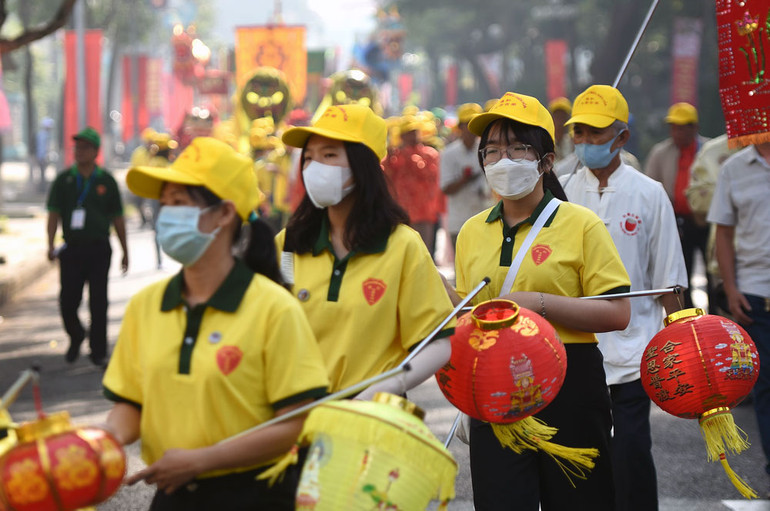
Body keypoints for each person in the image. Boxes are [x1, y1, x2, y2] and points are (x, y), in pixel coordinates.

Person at [103, 136, 330, 510]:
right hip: (172, 496)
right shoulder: (147, 305)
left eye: (179, 203)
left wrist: (200, 461)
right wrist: (102, 437)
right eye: (164, 203)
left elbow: (295, 422)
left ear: (224, 214)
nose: (165, 215)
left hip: (255, 496)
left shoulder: (274, 308)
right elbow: (131, 402)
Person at [446, 91, 631, 510]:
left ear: (546, 161)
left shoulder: (581, 223)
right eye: (491, 150)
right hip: (495, 385)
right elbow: (471, 314)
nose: (502, 159)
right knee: (501, 500)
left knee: (581, 501)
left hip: (569, 379)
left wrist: (539, 303)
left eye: (517, 148)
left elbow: (618, 312)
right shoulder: (472, 231)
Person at [560, 84, 688, 511]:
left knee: (632, 452)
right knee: (583, 458)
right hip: (575, 349)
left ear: (622, 137)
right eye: (579, 133)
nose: (586, 142)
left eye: (597, 133)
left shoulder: (650, 194)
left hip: (636, 350)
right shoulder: (557, 196)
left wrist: (686, 353)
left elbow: (670, 281)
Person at [278, 104, 456, 398]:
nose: (313, 167)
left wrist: (385, 388)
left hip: (373, 420)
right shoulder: (289, 245)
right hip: (298, 417)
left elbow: (437, 342)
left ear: (362, 165)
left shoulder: (402, 246)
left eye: (329, 155)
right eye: (308, 158)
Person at [707, 141, 770, 492]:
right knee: (766, 388)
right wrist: (730, 289)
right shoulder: (734, 168)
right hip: (756, 298)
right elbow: (724, 235)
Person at [46, 127, 128, 366]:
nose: (79, 152)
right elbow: (53, 214)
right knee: (68, 302)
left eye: (84, 148)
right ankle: (76, 334)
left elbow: (118, 218)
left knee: (99, 302)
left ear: (95, 152)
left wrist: (125, 250)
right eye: (77, 147)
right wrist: (50, 244)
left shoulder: (106, 181)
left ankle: (98, 350)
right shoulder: (64, 180)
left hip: (99, 249)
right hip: (71, 249)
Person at [645, 102, 711, 309]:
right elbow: (650, 187)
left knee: (713, 270)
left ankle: (718, 313)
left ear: (694, 128)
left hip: (708, 219)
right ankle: (690, 314)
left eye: (682, 127)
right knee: (682, 271)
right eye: (674, 127)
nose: (677, 132)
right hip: (677, 221)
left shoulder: (708, 150)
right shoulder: (661, 153)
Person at [383, 114, 442, 251]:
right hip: (401, 214)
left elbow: (430, 175)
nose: (412, 136)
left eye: (414, 132)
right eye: (408, 133)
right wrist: (388, 159)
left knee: (424, 252)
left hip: (425, 212)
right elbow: (385, 177)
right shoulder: (394, 156)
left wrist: (407, 154)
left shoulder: (430, 154)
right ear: (402, 136)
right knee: (402, 252)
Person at [440, 102, 493, 250]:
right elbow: (445, 188)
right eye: (467, 124)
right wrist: (464, 179)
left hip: (485, 219)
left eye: (473, 124)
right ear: (460, 127)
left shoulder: (489, 150)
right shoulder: (449, 154)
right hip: (459, 221)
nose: (470, 129)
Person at [548, 97, 573, 162]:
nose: (560, 121)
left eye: (563, 117)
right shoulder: (546, 142)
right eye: (557, 116)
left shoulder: (572, 142)